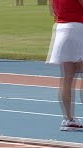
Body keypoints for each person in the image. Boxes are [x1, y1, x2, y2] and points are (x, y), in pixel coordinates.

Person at [46, 0, 83, 131]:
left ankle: (69, 119)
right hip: (78, 28)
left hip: (61, 27)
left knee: (67, 77)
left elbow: (52, 10)